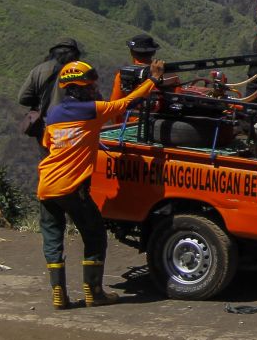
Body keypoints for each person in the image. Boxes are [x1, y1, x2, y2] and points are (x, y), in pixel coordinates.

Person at [38, 58, 165, 309]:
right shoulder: (91, 110)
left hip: (46, 186)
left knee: (53, 239)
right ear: (83, 87)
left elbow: (47, 145)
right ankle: (94, 292)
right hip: (73, 188)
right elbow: (126, 104)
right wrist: (153, 79)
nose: (95, 89)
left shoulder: (53, 114)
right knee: (94, 235)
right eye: (92, 85)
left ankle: (58, 294)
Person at [17, 38, 82, 151]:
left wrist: (40, 100)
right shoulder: (80, 72)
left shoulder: (38, 70)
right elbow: (94, 99)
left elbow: (23, 98)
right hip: (72, 130)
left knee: (48, 163)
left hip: (45, 128)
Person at [110, 33, 160, 100]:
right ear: (154, 52)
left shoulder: (123, 75)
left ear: (132, 53)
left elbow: (114, 104)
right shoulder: (166, 73)